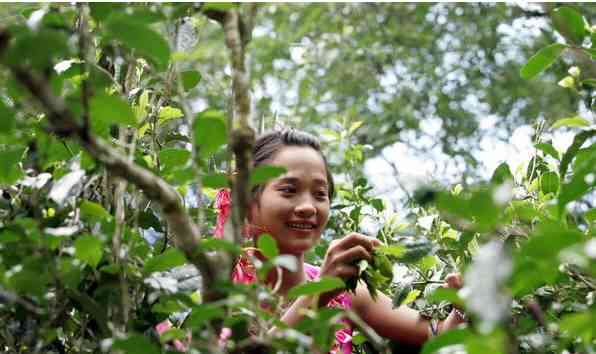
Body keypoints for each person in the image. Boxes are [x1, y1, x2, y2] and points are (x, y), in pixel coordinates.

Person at [157, 128, 466, 353]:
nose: (308, 206)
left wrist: (464, 307)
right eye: (289, 190)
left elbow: (439, 337)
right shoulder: (199, 294)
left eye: (320, 194)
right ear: (246, 202)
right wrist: (316, 296)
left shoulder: (346, 291)